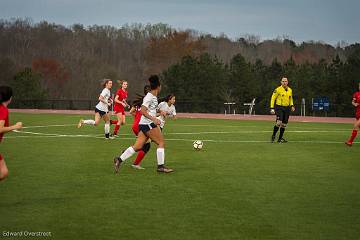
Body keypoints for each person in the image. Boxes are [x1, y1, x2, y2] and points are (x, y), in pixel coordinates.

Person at [113, 75, 173, 173]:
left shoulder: (152, 96)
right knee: (161, 143)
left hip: (144, 124)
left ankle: (119, 160)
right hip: (148, 124)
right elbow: (143, 111)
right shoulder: (149, 97)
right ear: (158, 87)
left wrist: (159, 111)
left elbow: (150, 109)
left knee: (138, 147)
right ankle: (160, 167)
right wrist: (154, 119)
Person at [0, 86, 23, 182]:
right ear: (10, 98)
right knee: (3, 172)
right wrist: (15, 127)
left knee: (4, 172)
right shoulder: (3, 110)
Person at [128, 85, 151, 170]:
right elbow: (149, 114)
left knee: (142, 144)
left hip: (135, 126)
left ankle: (127, 152)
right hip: (141, 126)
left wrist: (137, 116)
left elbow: (131, 112)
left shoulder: (140, 101)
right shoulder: (148, 101)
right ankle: (135, 163)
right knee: (146, 146)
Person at [270, 77, 295, 143]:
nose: (284, 82)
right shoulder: (277, 89)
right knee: (279, 122)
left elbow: (291, 98)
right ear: (281, 82)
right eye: (283, 81)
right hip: (279, 107)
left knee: (284, 124)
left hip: (287, 108)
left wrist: (292, 105)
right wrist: (272, 108)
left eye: (285, 81)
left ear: (287, 82)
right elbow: (273, 98)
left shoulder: (290, 90)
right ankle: (273, 136)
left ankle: (280, 139)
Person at [345, 82, 360, 146]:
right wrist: (355, 104)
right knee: (358, 126)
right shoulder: (356, 94)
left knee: (355, 126)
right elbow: (353, 102)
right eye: (359, 86)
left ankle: (350, 141)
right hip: (358, 113)